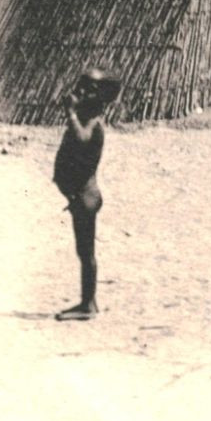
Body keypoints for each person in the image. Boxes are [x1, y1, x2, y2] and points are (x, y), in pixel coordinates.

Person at [51, 69, 122, 320]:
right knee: (83, 251)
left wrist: (70, 113)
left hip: (85, 198)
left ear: (97, 96)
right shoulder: (85, 118)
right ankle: (87, 302)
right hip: (80, 197)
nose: (78, 92)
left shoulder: (93, 124)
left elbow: (81, 140)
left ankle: (88, 304)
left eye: (85, 89)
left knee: (86, 252)